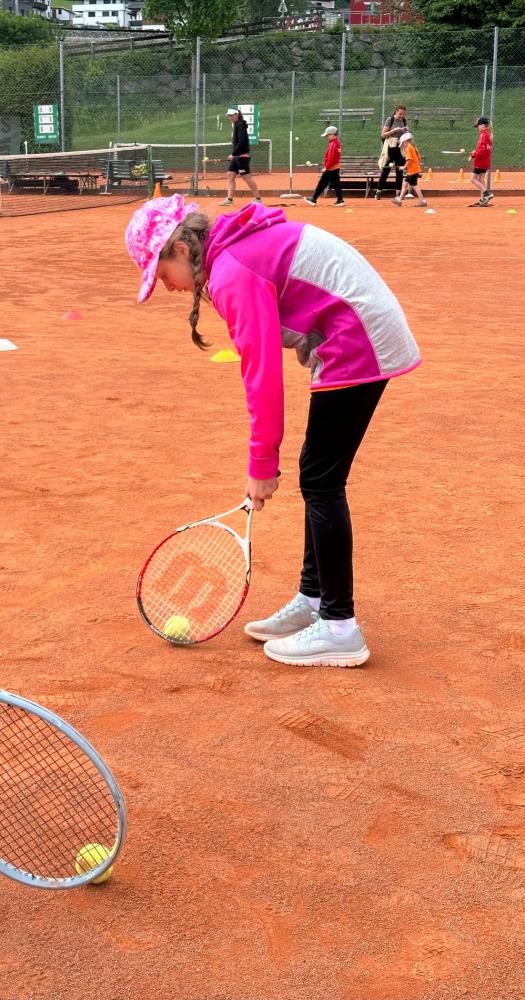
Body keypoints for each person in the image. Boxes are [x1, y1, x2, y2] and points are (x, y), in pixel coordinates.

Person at [125, 194, 421, 668]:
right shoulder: (230, 256)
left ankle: (340, 627)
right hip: (354, 332)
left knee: (321, 480)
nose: (167, 287)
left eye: (161, 275)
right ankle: (314, 599)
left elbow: (261, 374)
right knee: (318, 474)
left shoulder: (231, 272)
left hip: (359, 338)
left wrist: (262, 463)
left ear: (180, 250)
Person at [219, 108, 262, 207]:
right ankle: (229, 199)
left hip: (242, 156)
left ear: (236, 115)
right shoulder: (237, 125)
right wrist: (234, 154)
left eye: (231, 115)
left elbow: (241, 142)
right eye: (229, 116)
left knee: (246, 177)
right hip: (237, 156)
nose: (230, 117)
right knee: (230, 174)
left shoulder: (240, 125)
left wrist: (234, 154)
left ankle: (258, 199)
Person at [304, 125, 345, 207]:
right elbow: (333, 157)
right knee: (336, 184)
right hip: (334, 167)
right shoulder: (336, 143)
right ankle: (340, 200)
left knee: (322, 183)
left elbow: (331, 157)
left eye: (328, 135)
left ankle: (313, 199)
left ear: (332, 134)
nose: (327, 137)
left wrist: (326, 167)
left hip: (331, 168)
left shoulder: (333, 144)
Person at [375, 104, 408, 201]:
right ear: (396, 111)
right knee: (386, 170)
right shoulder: (390, 119)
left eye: (403, 114)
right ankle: (378, 192)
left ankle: (398, 193)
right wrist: (393, 130)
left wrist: (406, 131)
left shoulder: (404, 120)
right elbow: (383, 135)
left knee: (399, 171)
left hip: (399, 147)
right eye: (400, 114)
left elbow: (405, 135)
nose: (402, 116)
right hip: (390, 147)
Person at [392, 132, 428, 208]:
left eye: (403, 143)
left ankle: (423, 201)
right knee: (405, 183)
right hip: (413, 170)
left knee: (415, 186)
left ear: (406, 141)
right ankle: (399, 201)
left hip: (413, 170)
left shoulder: (408, 148)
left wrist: (404, 167)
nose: (402, 145)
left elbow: (409, 160)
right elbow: (418, 158)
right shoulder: (413, 147)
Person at [468, 116, 493, 207]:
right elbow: (484, 148)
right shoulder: (487, 134)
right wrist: (475, 151)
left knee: (473, 179)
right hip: (485, 160)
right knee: (481, 179)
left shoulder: (483, 135)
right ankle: (483, 199)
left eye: (478, 126)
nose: (478, 128)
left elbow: (482, 149)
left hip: (480, 161)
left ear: (482, 125)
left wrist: (473, 155)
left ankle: (487, 193)